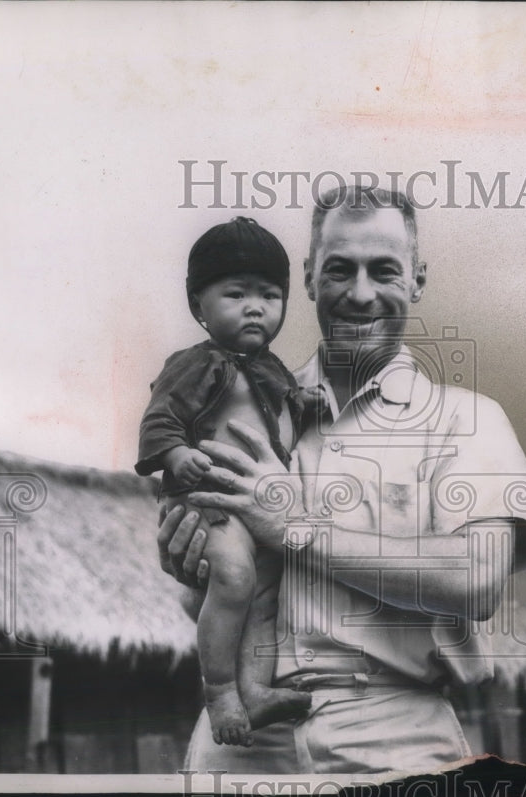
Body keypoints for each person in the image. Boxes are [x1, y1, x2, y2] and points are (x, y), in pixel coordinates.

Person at [157, 185, 526, 774]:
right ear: (309, 278)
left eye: (384, 270)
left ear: (417, 279)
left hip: (394, 738)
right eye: (340, 270)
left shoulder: (466, 419)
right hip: (240, 739)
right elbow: (206, 597)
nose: (361, 293)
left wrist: (295, 529)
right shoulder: (245, 408)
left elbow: (477, 579)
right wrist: (190, 561)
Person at [136, 217, 311, 746]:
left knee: (263, 595)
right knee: (234, 578)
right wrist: (177, 453)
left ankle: (255, 689)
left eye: (270, 296)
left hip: (257, 510)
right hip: (210, 500)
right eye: (236, 295)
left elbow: (288, 413)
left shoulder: (275, 370)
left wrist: (308, 404)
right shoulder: (195, 364)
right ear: (200, 306)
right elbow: (159, 418)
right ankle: (219, 692)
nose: (255, 307)